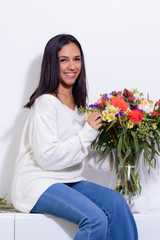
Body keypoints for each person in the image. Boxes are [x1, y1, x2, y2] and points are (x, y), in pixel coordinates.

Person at [11, 34, 138, 240]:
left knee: (117, 204)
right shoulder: (46, 103)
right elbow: (47, 157)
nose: (72, 66)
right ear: (53, 64)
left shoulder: (80, 108)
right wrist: (87, 132)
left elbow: (79, 154)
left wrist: (120, 156)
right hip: (38, 182)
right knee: (95, 219)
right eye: (64, 60)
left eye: (77, 59)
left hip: (68, 180)